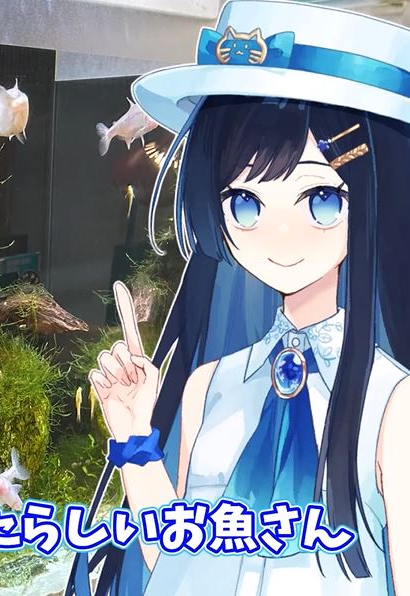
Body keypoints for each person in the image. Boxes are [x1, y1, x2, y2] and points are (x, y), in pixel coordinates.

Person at [68, 1, 410, 595]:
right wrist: (133, 435)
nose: (279, 236)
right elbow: (178, 564)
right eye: (246, 204)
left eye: (321, 199)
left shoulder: (394, 407)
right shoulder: (209, 385)